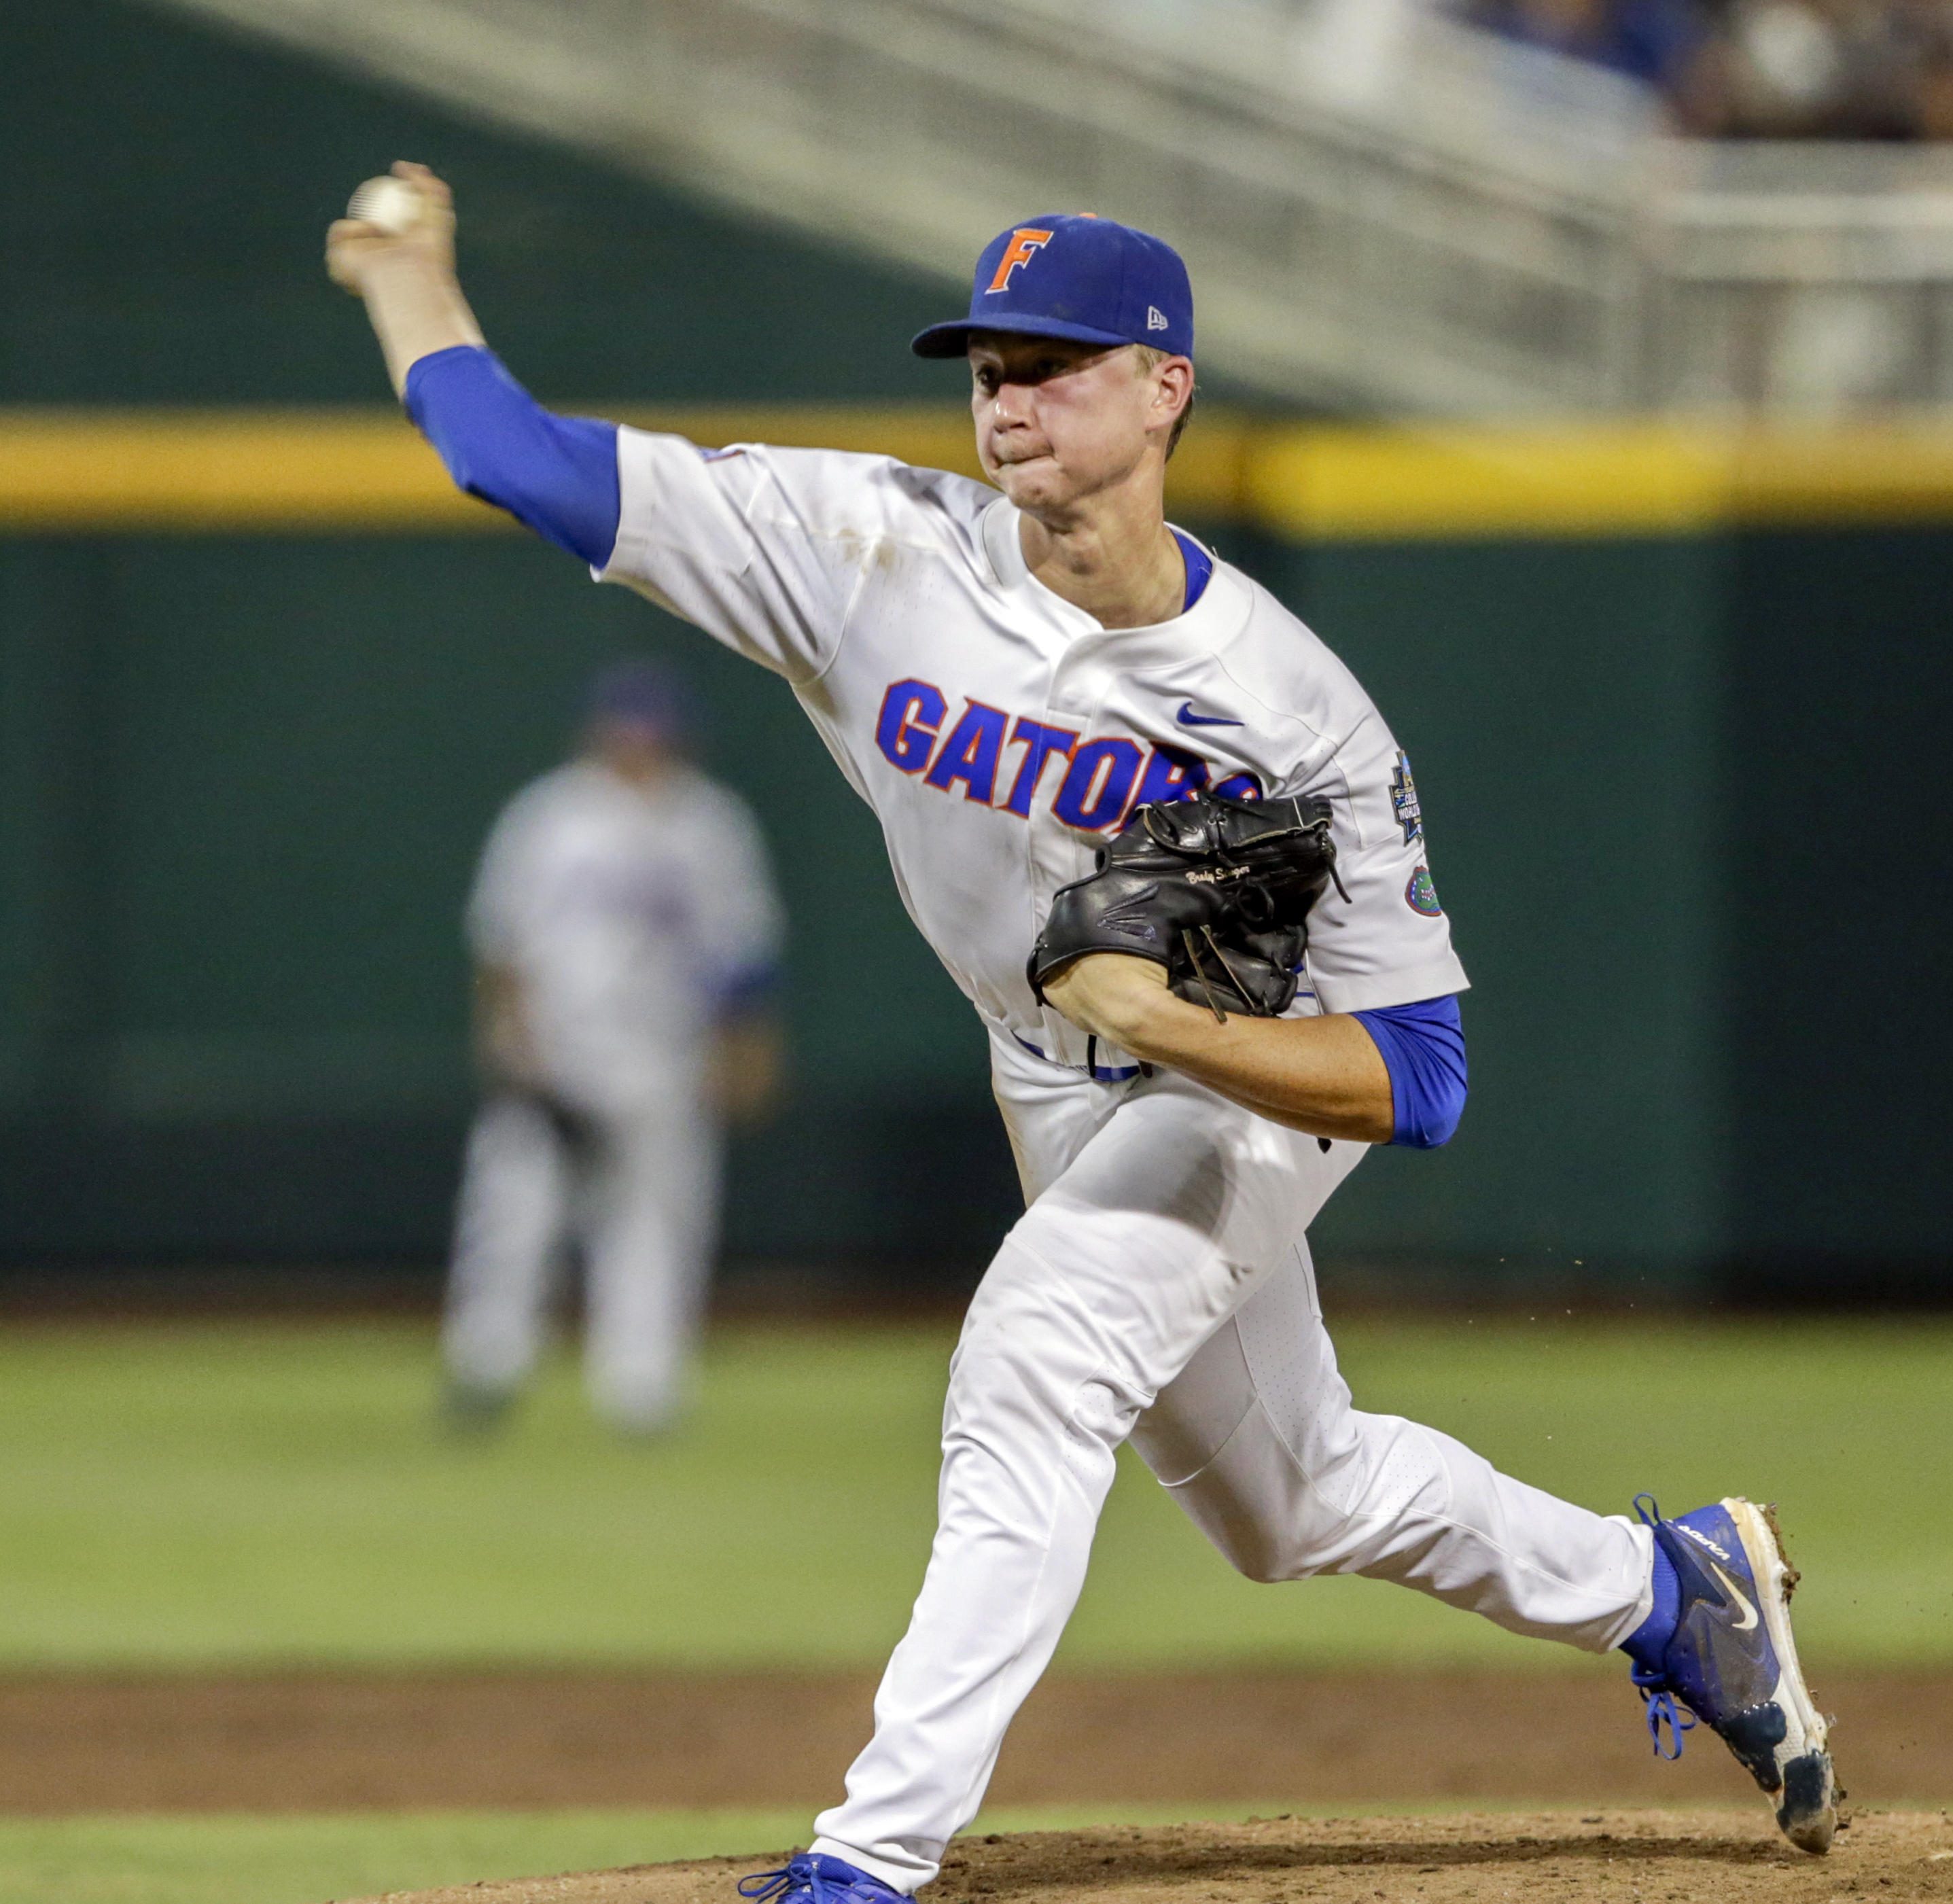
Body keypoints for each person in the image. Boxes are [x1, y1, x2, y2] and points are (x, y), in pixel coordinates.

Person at [326, 166, 1838, 1899]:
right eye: (987, 364)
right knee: (1295, 1503)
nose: (1007, 398)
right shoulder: (863, 551)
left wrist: (1172, 1024)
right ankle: (1670, 1588)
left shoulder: (1298, 712)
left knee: (1033, 1358)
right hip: (1050, 1077)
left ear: (1163, 387)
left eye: (1052, 363)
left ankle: (869, 1859)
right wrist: (410, 279)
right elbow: (508, 456)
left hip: (1249, 1086)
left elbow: (1420, 1080)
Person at [443, 655, 784, 1435]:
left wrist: (747, 1054)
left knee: (657, 1222)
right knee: (513, 1215)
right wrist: (508, 1046)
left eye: (652, 734)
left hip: (663, 1060)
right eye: (626, 733)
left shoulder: (708, 823)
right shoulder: (551, 816)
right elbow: (503, 947)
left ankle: (641, 1388)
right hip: (559, 1054)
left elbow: (742, 956)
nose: (639, 748)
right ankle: (486, 1367)